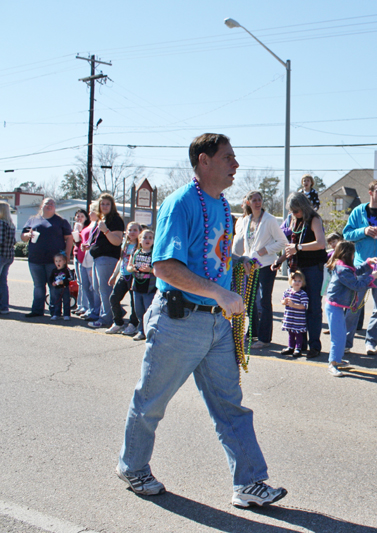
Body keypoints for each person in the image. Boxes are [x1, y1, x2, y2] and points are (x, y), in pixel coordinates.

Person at [117, 133, 287, 508]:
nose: (236, 164)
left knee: (232, 407)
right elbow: (164, 266)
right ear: (204, 161)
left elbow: (215, 258)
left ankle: (249, 483)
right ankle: (133, 467)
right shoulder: (180, 204)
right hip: (179, 321)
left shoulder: (224, 207)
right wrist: (219, 293)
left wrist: (238, 266)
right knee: (151, 402)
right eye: (228, 157)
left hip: (216, 325)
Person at [342, 180, 377, 356]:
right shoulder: (358, 211)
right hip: (361, 266)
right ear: (370, 193)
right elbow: (347, 234)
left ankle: (371, 343)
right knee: (354, 306)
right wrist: (364, 231)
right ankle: (347, 342)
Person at [232, 190, 288, 350]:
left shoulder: (269, 220)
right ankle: (253, 332)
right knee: (250, 300)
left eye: (259, 199)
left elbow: (282, 242)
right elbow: (245, 243)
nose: (257, 202)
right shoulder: (246, 220)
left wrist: (264, 251)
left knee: (264, 301)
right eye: (254, 200)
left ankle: (264, 338)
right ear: (248, 202)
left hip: (266, 266)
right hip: (251, 266)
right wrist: (245, 258)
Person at [276, 192, 327, 358]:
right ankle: (299, 345)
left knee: (312, 308)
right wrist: (280, 260)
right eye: (292, 211)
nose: (294, 214)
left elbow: (321, 243)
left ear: (304, 207)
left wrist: (299, 248)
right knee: (297, 307)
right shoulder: (293, 219)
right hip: (297, 268)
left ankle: (314, 345)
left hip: (313, 268)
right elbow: (290, 245)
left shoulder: (314, 219)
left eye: (296, 211)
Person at [324, 241, 377, 376]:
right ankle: (332, 363)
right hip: (333, 306)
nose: (354, 256)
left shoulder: (344, 266)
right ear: (349, 254)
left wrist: (368, 263)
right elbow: (357, 285)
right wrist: (372, 276)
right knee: (338, 337)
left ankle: (337, 360)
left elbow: (355, 271)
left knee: (341, 336)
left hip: (336, 305)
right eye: (353, 253)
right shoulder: (343, 269)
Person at [21, 198, 73, 318]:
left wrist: (67, 254)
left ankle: (55, 311)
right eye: (47, 203)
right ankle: (37, 310)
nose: (49, 205)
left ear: (55, 207)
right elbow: (23, 236)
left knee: (54, 285)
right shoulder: (33, 220)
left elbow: (69, 238)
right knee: (38, 286)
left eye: (52, 204)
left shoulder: (61, 221)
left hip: (54, 261)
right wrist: (28, 235)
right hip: (35, 259)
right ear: (41, 206)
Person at [87, 193, 124, 328]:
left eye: (107, 204)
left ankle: (106, 319)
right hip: (98, 259)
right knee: (97, 288)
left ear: (112, 205)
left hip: (108, 258)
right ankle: (116, 311)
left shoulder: (115, 220)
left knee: (105, 290)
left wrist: (106, 231)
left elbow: (117, 241)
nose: (105, 206)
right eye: (102, 204)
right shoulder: (101, 219)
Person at [106, 221, 141, 335]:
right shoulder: (125, 244)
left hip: (134, 277)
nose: (132, 232)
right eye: (130, 230)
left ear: (140, 232)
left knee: (133, 302)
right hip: (123, 275)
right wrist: (114, 275)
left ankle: (133, 324)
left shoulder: (140, 246)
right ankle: (118, 323)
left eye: (135, 230)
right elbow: (121, 260)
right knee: (114, 298)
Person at [127, 228, 157, 341]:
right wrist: (132, 268)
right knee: (139, 311)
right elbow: (129, 267)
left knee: (148, 311)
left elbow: (159, 271)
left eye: (150, 238)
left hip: (149, 288)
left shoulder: (154, 254)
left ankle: (149, 331)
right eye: (145, 237)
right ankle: (141, 331)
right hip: (137, 286)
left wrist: (150, 270)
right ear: (140, 240)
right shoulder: (136, 253)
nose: (147, 240)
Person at [77, 202, 101, 321]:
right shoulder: (90, 224)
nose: (89, 213)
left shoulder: (99, 225)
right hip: (84, 259)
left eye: (92, 210)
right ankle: (91, 309)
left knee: (94, 288)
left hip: (93, 261)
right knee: (85, 286)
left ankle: (97, 310)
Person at [280, 271, 309, 356]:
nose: (297, 282)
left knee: (298, 334)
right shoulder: (287, 292)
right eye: (295, 280)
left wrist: (294, 305)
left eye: (299, 281)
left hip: (298, 318)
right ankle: (290, 347)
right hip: (289, 317)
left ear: (302, 283)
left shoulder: (302, 294)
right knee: (290, 333)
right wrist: (284, 302)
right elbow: (282, 301)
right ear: (290, 282)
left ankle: (298, 348)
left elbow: (304, 306)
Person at [70, 208, 89, 316]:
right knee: (79, 282)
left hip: (84, 256)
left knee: (84, 283)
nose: (79, 218)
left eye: (82, 216)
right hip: (76, 254)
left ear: (86, 218)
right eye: (78, 216)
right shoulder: (76, 227)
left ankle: (85, 306)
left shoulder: (87, 228)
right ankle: (80, 306)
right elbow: (76, 241)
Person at [48, 252, 73, 320]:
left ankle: (66, 314)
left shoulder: (66, 270)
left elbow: (71, 277)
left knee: (66, 301)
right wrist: (52, 283)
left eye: (60, 261)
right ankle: (56, 314)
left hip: (65, 288)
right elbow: (50, 278)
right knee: (57, 302)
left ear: (64, 261)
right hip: (57, 289)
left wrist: (64, 282)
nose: (58, 263)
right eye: (56, 261)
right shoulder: (54, 270)